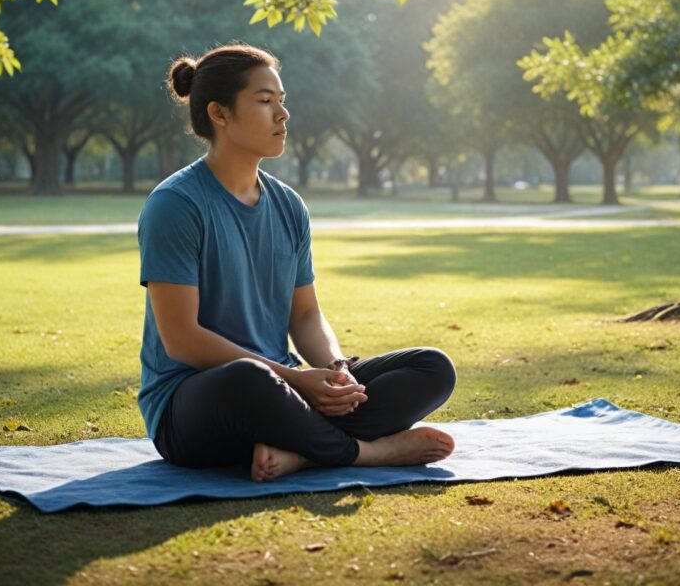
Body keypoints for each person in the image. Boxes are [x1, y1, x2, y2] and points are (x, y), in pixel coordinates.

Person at [138, 43, 457, 482]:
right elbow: (182, 340)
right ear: (220, 113)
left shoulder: (288, 205)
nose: (282, 115)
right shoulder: (175, 205)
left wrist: (335, 370)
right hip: (195, 406)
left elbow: (305, 314)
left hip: (283, 388)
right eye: (265, 102)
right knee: (247, 378)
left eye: (282, 102)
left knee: (431, 367)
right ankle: (365, 453)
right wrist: (294, 378)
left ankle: (301, 452)